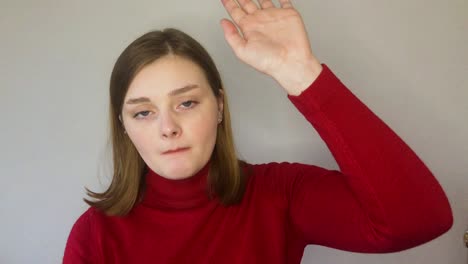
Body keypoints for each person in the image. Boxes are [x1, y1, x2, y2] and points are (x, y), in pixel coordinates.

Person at [63, 0, 453, 263]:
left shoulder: (278, 194)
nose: (168, 128)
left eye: (186, 103)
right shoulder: (95, 235)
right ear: (124, 127)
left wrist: (303, 75)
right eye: (144, 112)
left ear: (219, 106)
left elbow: (421, 219)